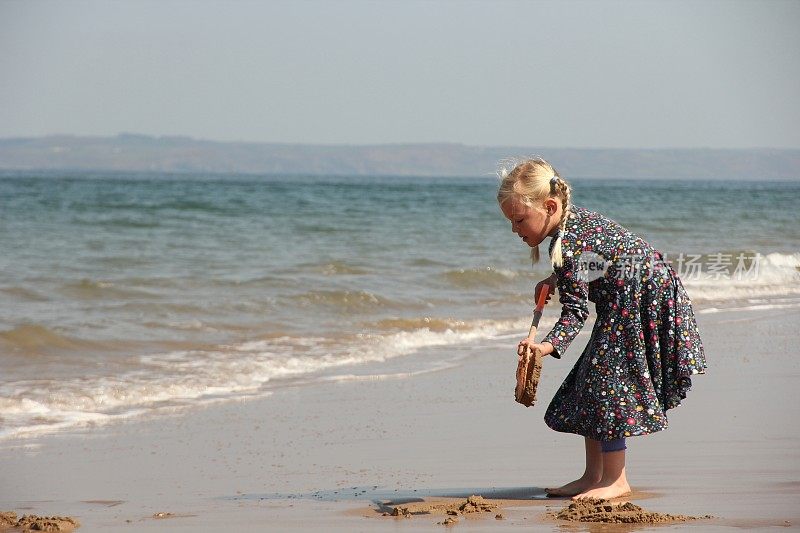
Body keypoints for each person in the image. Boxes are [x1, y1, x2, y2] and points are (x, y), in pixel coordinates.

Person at [497, 157, 706, 500]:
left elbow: (576, 312)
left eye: (519, 220)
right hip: (636, 292)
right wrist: (557, 279)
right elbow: (595, 265)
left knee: (610, 382)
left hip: (641, 298)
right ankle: (592, 475)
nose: (515, 229)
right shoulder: (571, 227)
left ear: (550, 206)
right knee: (590, 380)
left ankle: (615, 478)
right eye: (511, 222)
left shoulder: (570, 243)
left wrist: (545, 348)